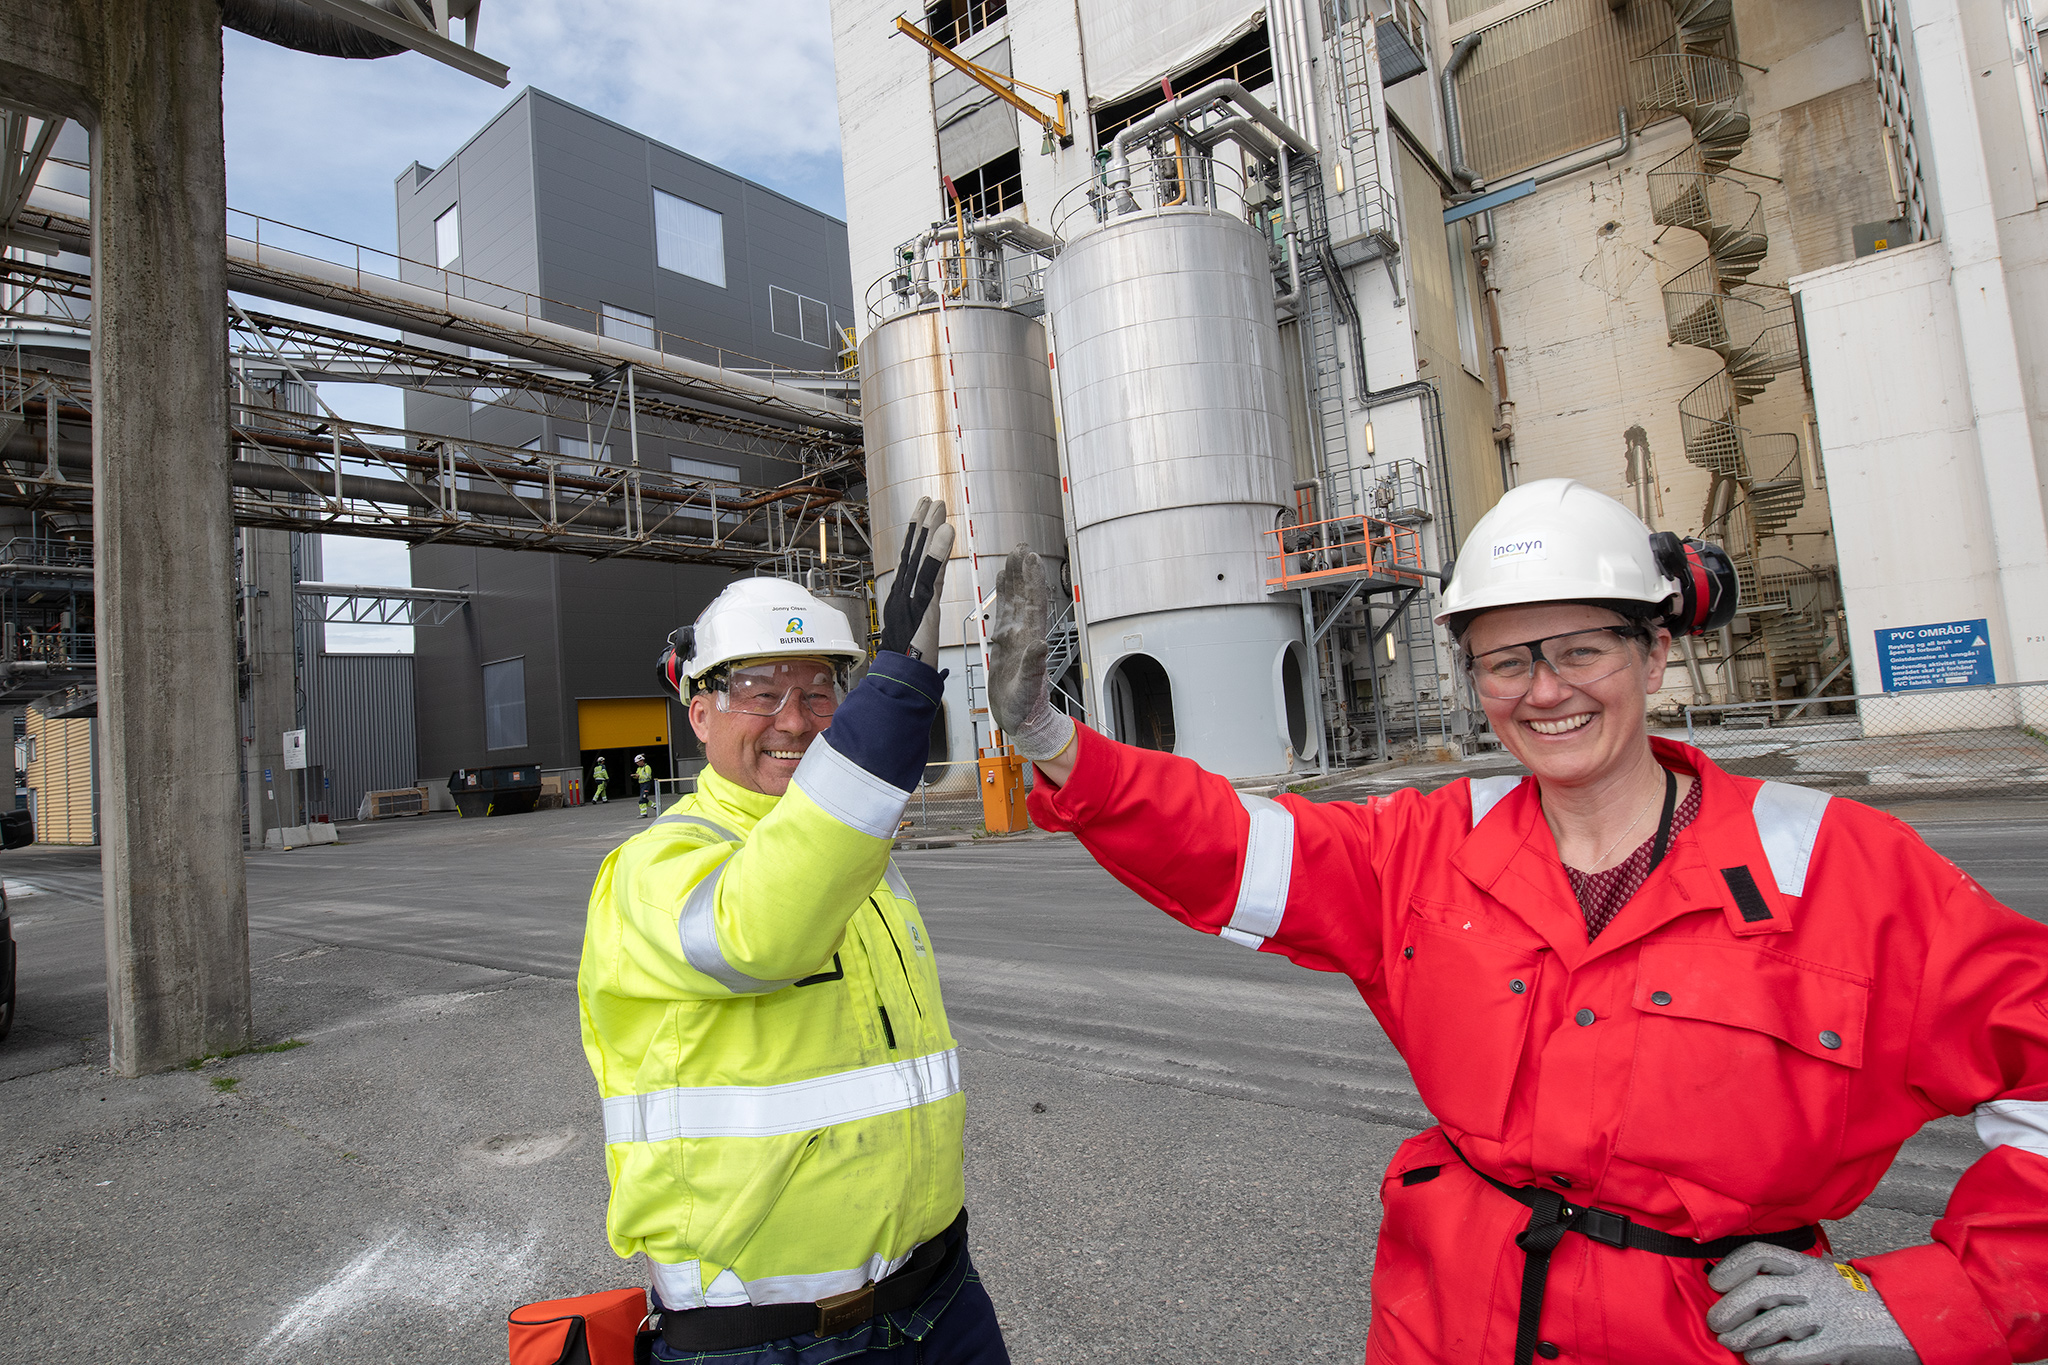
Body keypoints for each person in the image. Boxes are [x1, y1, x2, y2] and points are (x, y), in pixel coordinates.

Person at [987, 478, 2048, 1365]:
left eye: (1579, 650)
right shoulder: (1426, 845)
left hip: (1703, 1336)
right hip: (1447, 1322)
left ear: (1652, 654)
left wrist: (1922, 1305)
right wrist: (1056, 742)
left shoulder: (1835, 869)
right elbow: (1231, 843)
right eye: (1504, 661)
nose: (1543, 693)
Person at [578, 498, 1009, 1365]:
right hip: (767, 1342)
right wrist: (890, 697)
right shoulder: (656, 871)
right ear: (697, 715)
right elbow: (759, 931)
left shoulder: (856, 861)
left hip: (938, 1296)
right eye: (758, 690)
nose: (795, 718)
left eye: (820, 691)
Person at [635, 752, 656, 819]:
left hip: (646, 784)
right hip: (641, 785)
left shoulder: (647, 767)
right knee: (644, 799)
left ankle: (643, 813)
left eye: (638, 762)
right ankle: (655, 806)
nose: (637, 764)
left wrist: (639, 776)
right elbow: (637, 775)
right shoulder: (639, 769)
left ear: (642, 761)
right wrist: (635, 776)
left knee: (642, 799)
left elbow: (648, 776)